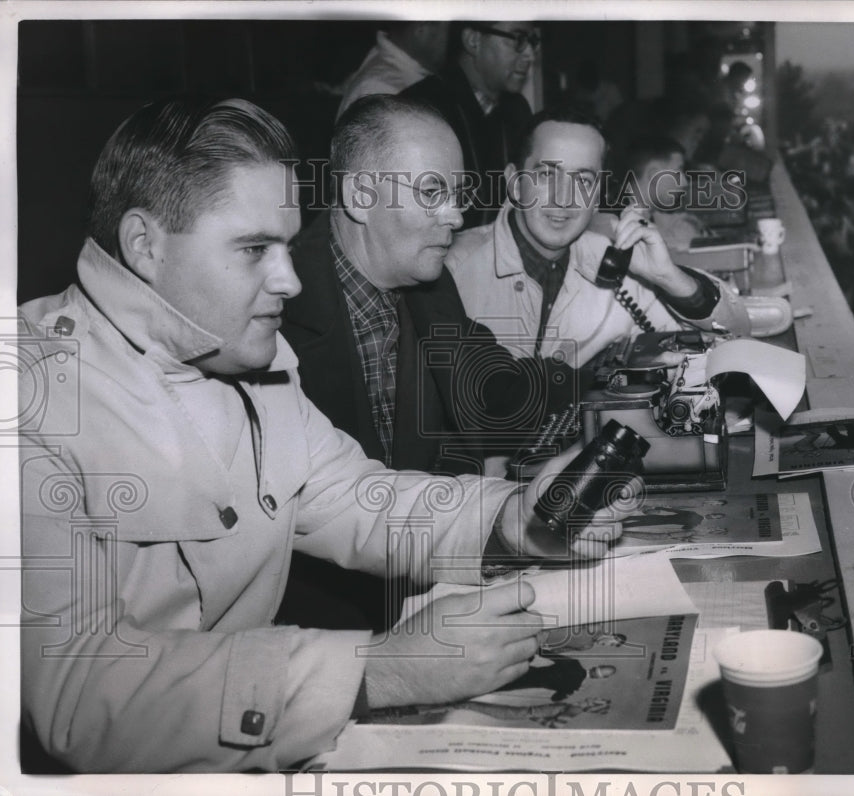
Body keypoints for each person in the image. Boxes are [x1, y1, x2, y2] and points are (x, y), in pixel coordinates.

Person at [17, 97, 624, 773]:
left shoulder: (245, 352)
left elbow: (357, 498)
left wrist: (509, 518)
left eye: (285, 245)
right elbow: (76, 695)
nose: (289, 278)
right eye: (255, 249)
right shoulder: (26, 397)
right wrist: (378, 670)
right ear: (144, 245)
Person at [279, 95, 585, 631]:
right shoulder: (277, 305)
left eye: (458, 193)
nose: (457, 215)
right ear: (359, 195)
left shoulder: (427, 283)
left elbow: (498, 397)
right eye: (431, 192)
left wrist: (611, 390)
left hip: (424, 584)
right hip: (319, 628)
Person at [445, 108, 751, 368]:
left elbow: (734, 335)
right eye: (547, 175)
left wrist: (668, 277)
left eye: (583, 180)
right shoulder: (452, 271)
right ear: (514, 183)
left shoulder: (611, 263)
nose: (564, 198)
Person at [403, 21, 539, 227]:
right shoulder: (420, 108)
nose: (530, 55)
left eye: (532, 42)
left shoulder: (517, 110)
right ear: (473, 40)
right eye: (518, 39)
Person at [335, 22, 450, 120]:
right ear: (421, 28)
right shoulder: (382, 90)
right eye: (449, 31)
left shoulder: (399, 72)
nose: (452, 41)